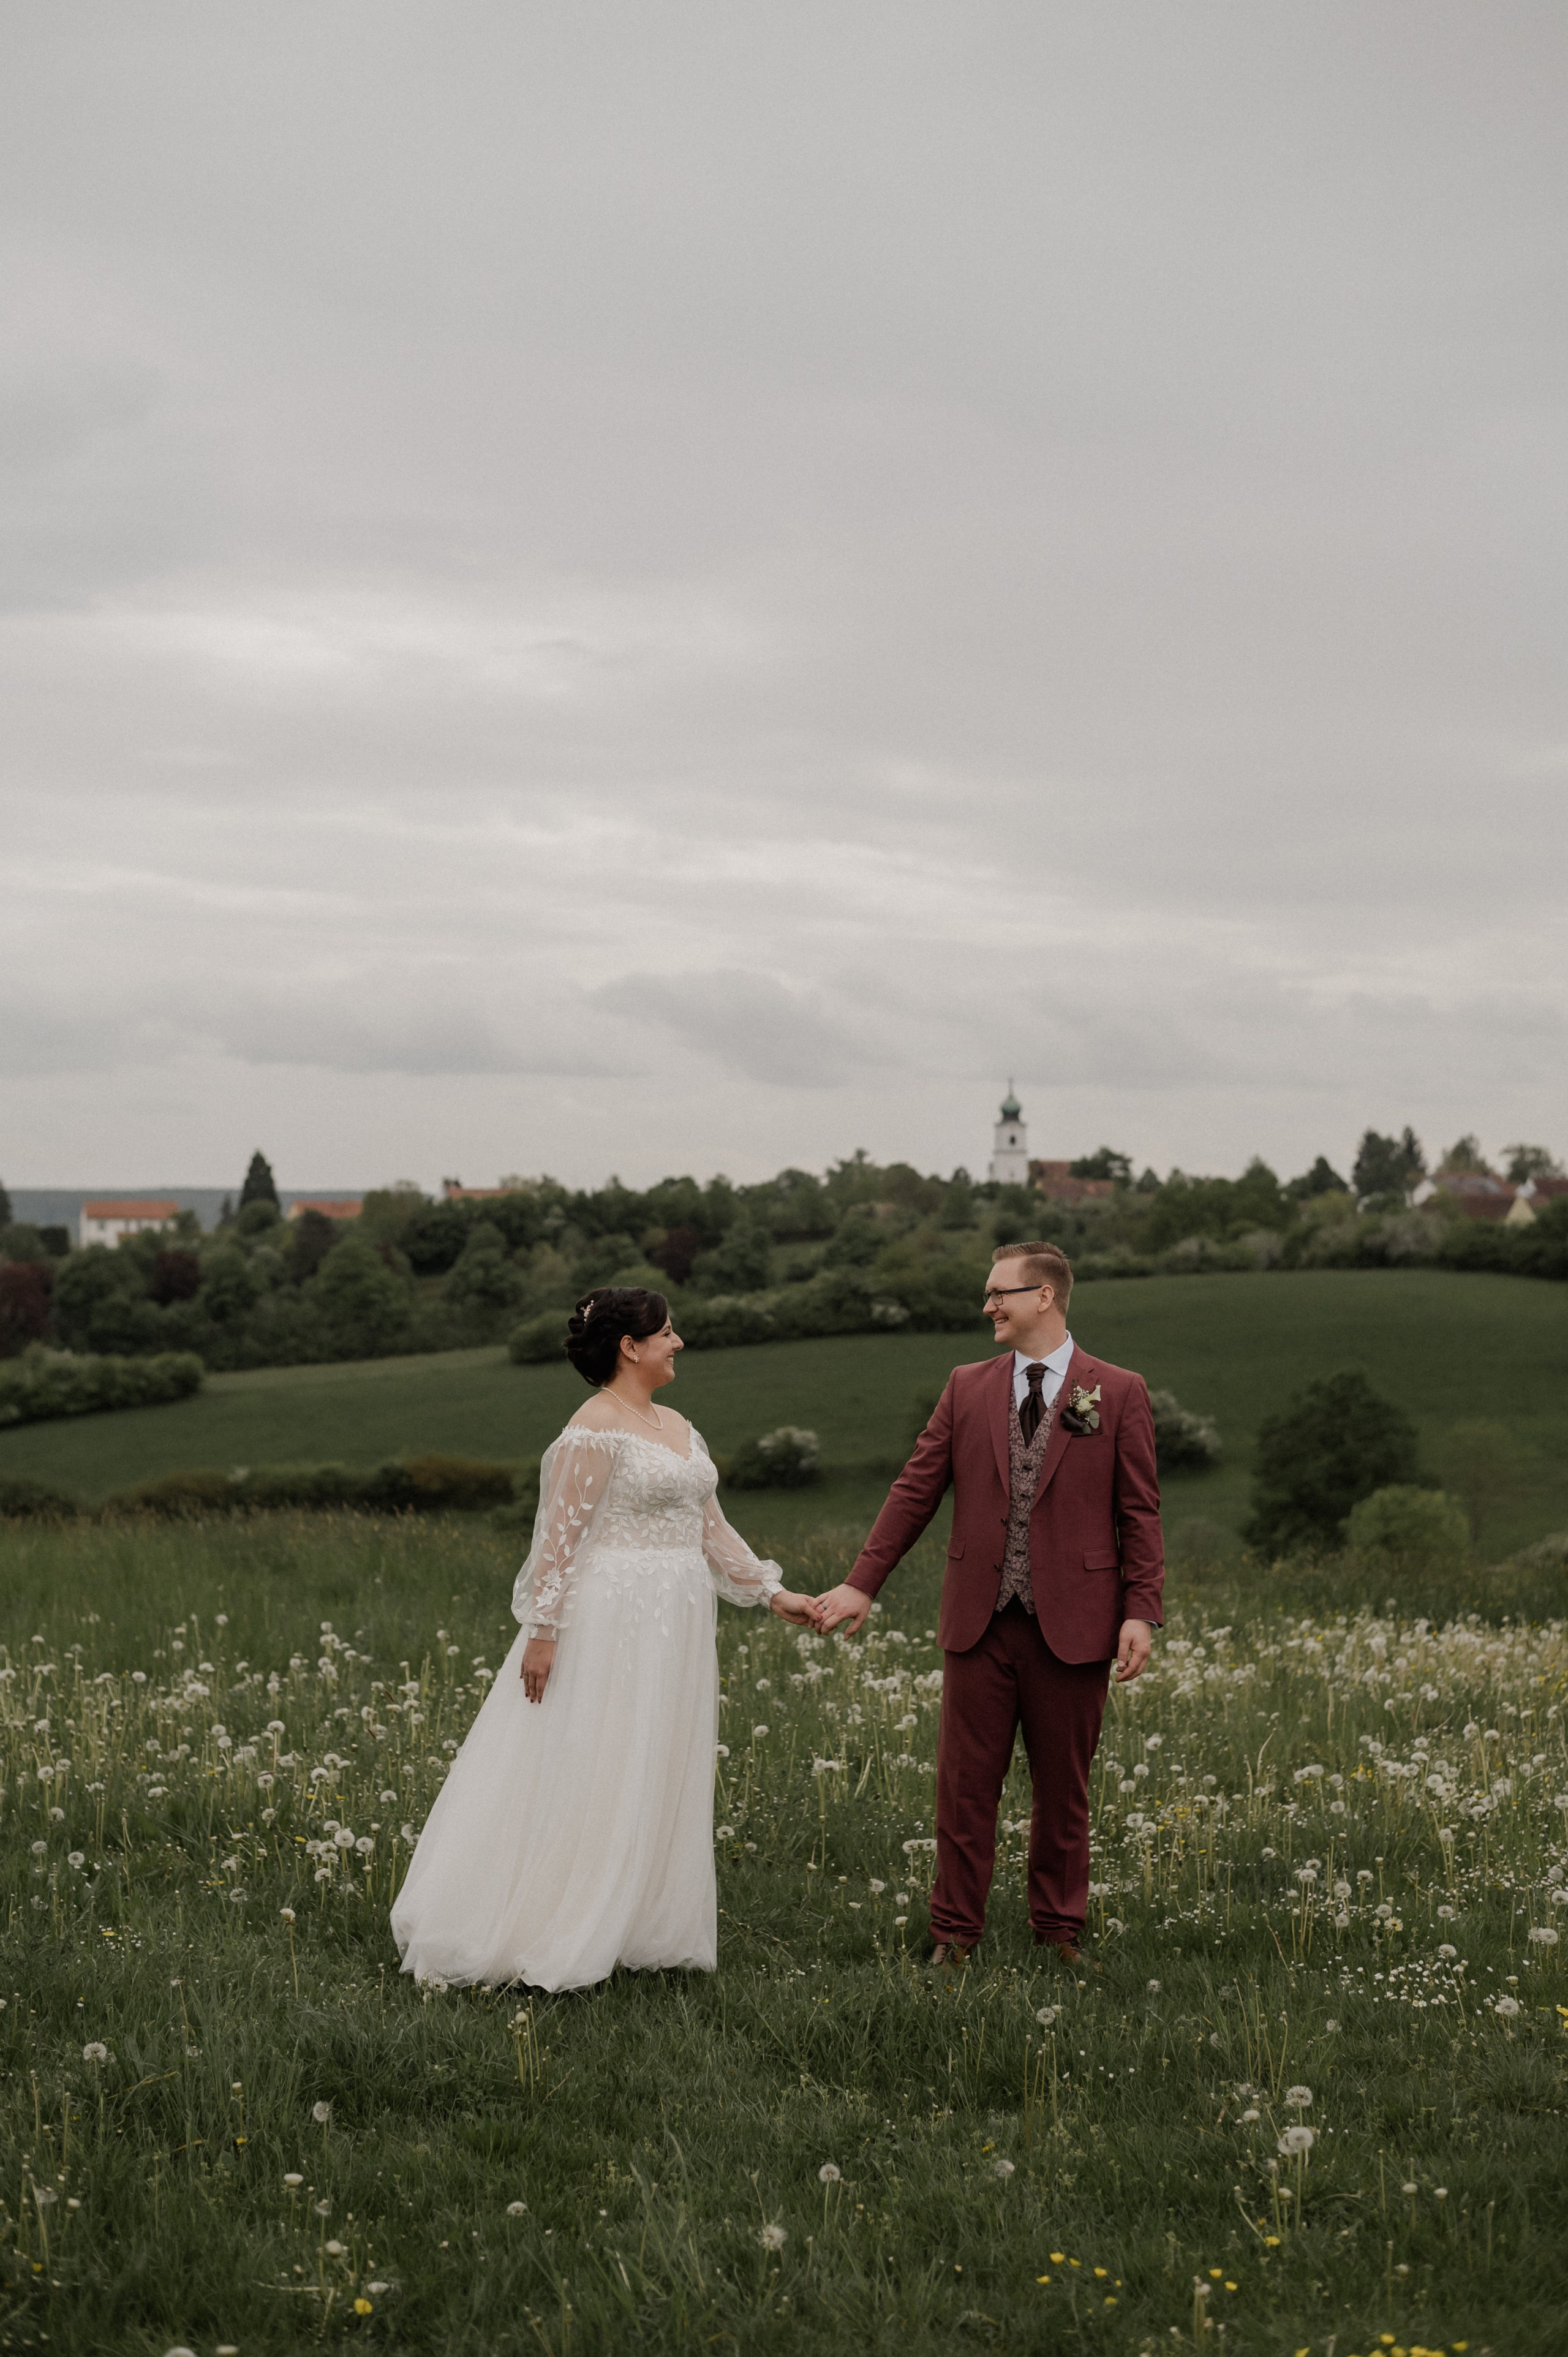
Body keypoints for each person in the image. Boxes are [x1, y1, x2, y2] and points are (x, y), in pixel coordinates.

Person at [390, 1285, 818, 1992]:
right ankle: (555, 1919)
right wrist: (544, 1629)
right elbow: (559, 1538)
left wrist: (774, 1591)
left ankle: (635, 1920)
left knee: (655, 1756)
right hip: (612, 1615)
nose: (678, 1343)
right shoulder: (593, 1426)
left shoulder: (678, 1424)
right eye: (668, 1332)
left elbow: (710, 1527)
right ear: (631, 1345)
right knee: (600, 1754)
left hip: (678, 1615)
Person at [815, 1241, 1164, 1968]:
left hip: (1076, 1621)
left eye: (999, 1292)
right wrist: (861, 1581)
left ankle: (1058, 1931)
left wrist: (1140, 1609)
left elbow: (1140, 1511)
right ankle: (953, 1934)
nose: (988, 1306)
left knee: (1063, 1789)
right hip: (978, 1619)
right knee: (964, 1787)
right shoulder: (966, 1385)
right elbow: (915, 1489)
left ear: (1044, 1296)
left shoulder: (1118, 1390)